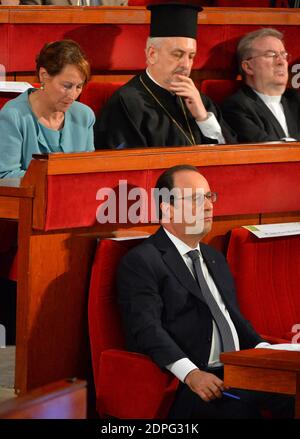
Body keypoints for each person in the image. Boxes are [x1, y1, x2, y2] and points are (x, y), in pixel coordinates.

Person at [117, 164, 294, 418]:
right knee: (239, 409)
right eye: (197, 199)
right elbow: (147, 330)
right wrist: (191, 374)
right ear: (167, 208)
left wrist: (267, 353)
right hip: (192, 381)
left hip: (239, 371)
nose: (210, 206)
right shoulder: (143, 261)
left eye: (210, 197)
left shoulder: (212, 257)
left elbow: (233, 319)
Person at [94, 2, 236, 149]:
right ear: (152, 54)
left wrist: (203, 118)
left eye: (191, 56)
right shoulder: (126, 103)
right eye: (177, 54)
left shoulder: (200, 101)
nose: (186, 64)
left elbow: (231, 156)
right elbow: (130, 166)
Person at [0, 39, 95, 178]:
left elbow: (89, 170)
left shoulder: (85, 115)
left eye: (79, 87)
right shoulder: (13, 116)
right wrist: (52, 174)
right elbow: (5, 176)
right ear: (44, 75)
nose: (72, 95)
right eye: (67, 86)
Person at [222, 28, 300, 143]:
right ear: (248, 67)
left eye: (283, 55)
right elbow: (267, 148)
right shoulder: (236, 106)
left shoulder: (295, 99)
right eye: (271, 55)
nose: (281, 62)